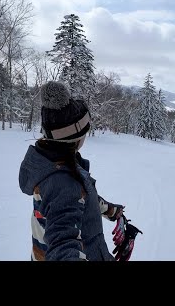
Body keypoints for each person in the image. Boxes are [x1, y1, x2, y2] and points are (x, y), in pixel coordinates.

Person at [18, 81, 141, 261]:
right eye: (84, 132)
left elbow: (81, 199)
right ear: (74, 137)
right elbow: (63, 243)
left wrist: (111, 211)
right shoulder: (63, 183)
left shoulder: (50, 164)